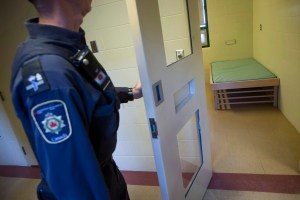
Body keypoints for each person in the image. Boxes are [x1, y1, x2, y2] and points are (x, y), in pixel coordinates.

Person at [10, 0, 143, 199]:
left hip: (105, 173)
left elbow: (90, 96)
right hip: (91, 185)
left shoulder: (67, 46)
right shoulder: (49, 72)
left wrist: (131, 93)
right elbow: (73, 180)